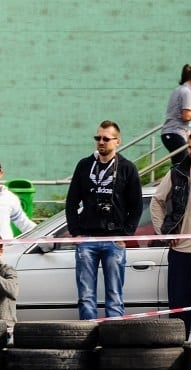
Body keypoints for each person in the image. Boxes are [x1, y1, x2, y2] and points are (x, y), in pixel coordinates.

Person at [65, 120, 143, 320]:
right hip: (87, 238)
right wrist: (76, 233)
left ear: (117, 141)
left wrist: (125, 234)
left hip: (114, 239)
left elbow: (136, 206)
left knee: (115, 295)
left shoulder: (127, 168)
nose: (101, 142)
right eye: (98, 138)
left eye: (106, 139)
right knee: (85, 295)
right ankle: (88, 336)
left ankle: (113, 340)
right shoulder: (84, 165)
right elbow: (71, 201)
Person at [151, 131, 191, 339]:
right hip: (181, 251)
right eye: (190, 147)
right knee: (179, 307)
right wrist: (164, 232)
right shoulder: (178, 172)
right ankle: (180, 350)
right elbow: (157, 201)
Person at [161, 64, 191, 166]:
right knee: (183, 165)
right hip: (175, 133)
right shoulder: (187, 92)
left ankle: (176, 181)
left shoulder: (179, 90)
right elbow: (186, 116)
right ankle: (176, 181)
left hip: (172, 133)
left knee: (179, 164)